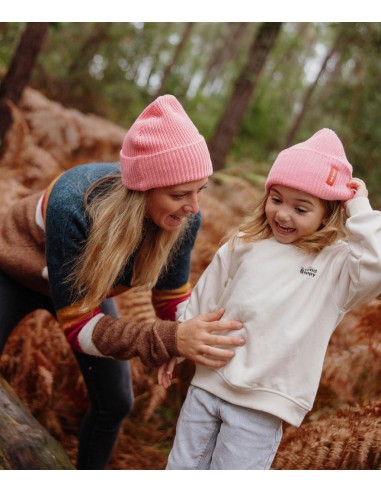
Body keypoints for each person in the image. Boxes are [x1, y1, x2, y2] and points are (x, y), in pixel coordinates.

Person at [0, 94, 245, 469]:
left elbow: (171, 296)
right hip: (16, 272)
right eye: (180, 194)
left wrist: (184, 335)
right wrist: (169, 338)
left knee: (116, 402)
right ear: (142, 188)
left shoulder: (183, 218)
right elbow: (79, 328)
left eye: (201, 191)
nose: (194, 208)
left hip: (85, 291)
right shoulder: (74, 205)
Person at [158, 128, 381, 470]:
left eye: (301, 208)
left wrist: (359, 205)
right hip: (207, 386)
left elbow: (377, 261)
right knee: (181, 468)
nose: (283, 214)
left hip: (262, 407)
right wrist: (176, 342)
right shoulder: (245, 243)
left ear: (329, 212)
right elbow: (205, 298)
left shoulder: (336, 268)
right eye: (276, 199)